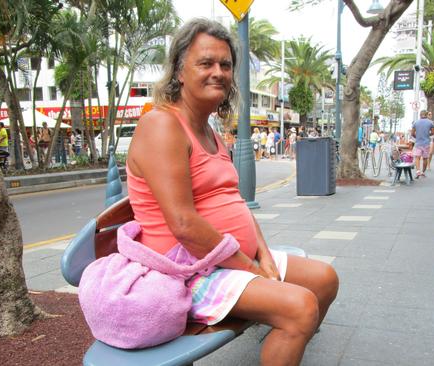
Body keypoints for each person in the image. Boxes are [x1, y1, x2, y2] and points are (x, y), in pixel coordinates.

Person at [125, 19, 338, 365]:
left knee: (324, 280)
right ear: (180, 72)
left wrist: (264, 256)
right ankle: (289, 327)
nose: (219, 72)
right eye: (206, 63)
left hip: (228, 262)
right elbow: (183, 224)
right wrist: (251, 270)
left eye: (225, 65)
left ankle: (285, 343)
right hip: (187, 272)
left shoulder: (209, 132)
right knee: (300, 307)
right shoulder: (162, 125)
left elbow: (234, 202)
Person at [411, 110, 434, 178]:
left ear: (420, 115)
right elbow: (433, 132)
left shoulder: (415, 122)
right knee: (425, 158)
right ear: (427, 115)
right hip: (426, 143)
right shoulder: (431, 123)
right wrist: (427, 134)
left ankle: (418, 171)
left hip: (418, 143)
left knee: (417, 157)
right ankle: (423, 172)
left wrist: (417, 137)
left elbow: (412, 133)